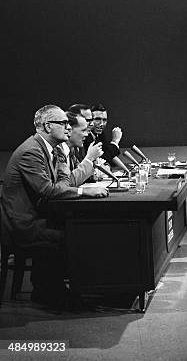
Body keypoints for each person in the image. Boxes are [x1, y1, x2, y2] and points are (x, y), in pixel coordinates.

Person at [0, 105, 108, 306]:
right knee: (74, 236)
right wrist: (84, 191)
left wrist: (64, 166)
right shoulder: (31, 151)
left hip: (40, 216)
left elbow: (62, 184)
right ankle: (52, 293)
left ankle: (64, 288)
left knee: (81, 229)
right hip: (23, 225)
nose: (69, 127)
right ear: (48, 126)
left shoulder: (51, 149)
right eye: (64, 123)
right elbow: (49, 191)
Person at [61, 111, 104, 186]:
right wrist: (89, 158)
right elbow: (68, 183)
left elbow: (79, 174)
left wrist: (93, 173)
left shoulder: (72, 150)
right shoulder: (58, 151)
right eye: (83, 130)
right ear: (69, 130)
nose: (87, 134)